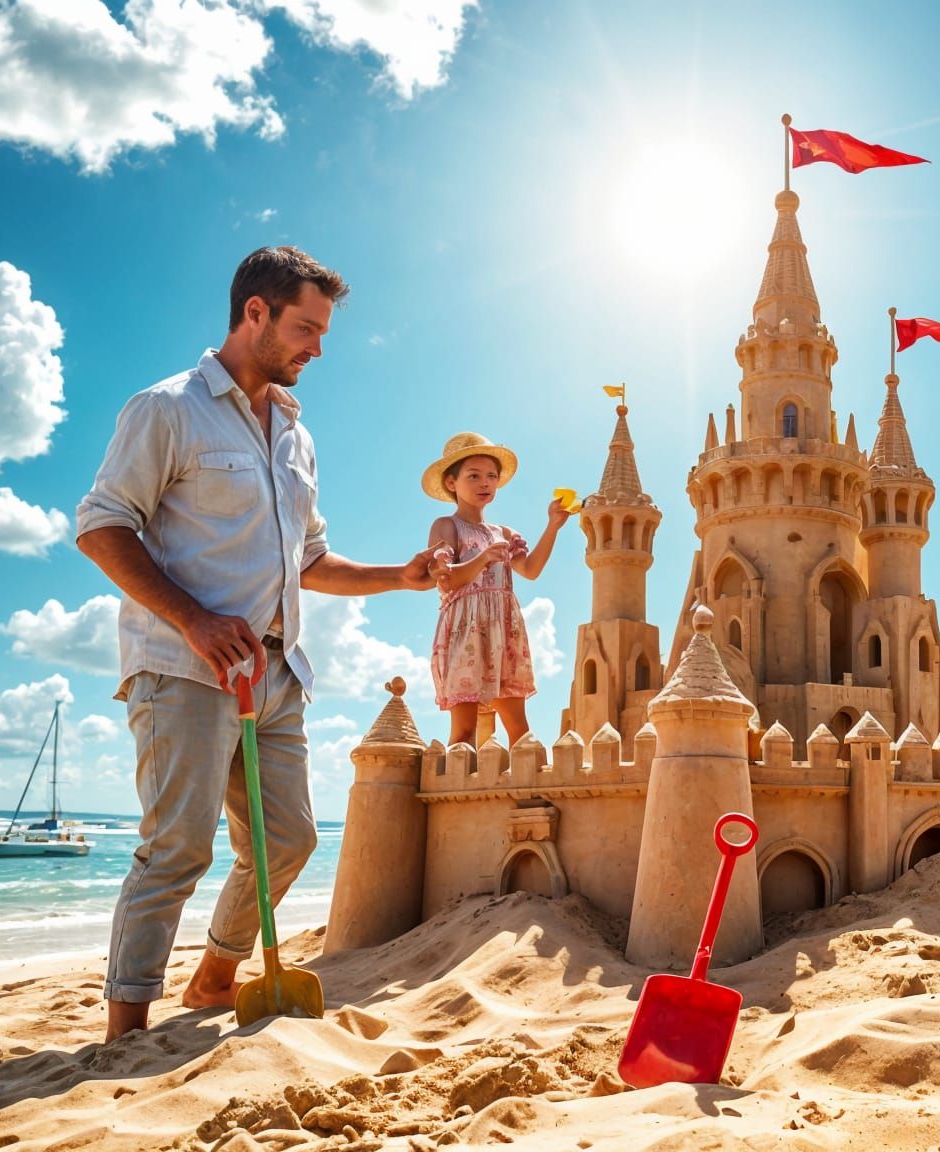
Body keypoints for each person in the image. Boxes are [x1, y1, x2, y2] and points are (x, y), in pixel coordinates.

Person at [77, 246, 439, 1042]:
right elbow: (102, 526)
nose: (317, 347)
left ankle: (214, 977)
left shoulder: (297, 437)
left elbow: (309, 559)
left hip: (278, 671)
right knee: (175, 848)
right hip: (184, 664)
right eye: (306, 328)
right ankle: (124, 1030)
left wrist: (402, 577)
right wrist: (194, 620)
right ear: (255, 314)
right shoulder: (166, 408)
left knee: (288, 839)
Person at [422, 433, 571, 746]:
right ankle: (459, 794)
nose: (484, 483)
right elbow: (445, 579)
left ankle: (534, 796)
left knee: (520, 730)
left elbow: (530, 570)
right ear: (452, 483)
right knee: (464, 732)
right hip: (467, 632)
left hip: (504, 632)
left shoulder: (503, 533)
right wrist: (483, 559)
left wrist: (553, 526)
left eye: (491, 476)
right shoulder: (445, 527)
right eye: (473, 476)